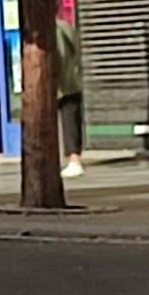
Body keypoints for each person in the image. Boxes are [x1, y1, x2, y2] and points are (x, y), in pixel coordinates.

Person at [58, 13, 85, 179]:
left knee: (68, 122)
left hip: (61, 84)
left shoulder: (52, 30)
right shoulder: (65, 26)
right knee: (71, 121)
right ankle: (74, 159)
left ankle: (73, 160)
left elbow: (59, 56)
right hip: (71, 82)